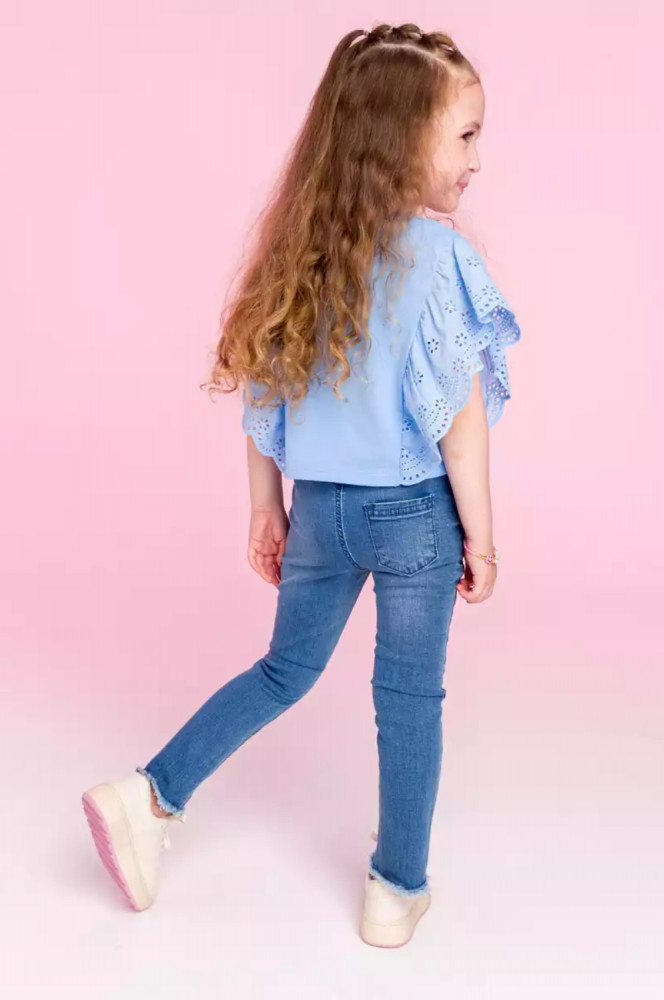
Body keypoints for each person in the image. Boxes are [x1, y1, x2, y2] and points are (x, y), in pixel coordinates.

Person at [82, 22, 521, 949]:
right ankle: (395, 889)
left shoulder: (303, 255)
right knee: (408, 699)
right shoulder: (439, 257)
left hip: (319, 510)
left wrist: (266, 507)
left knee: (284, 670)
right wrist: (480, 539)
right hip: (414, 515)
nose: (478, 160)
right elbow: (459, 422)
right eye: (465, 136)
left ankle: (149, 794)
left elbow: (262, 396)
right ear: (404, 139)